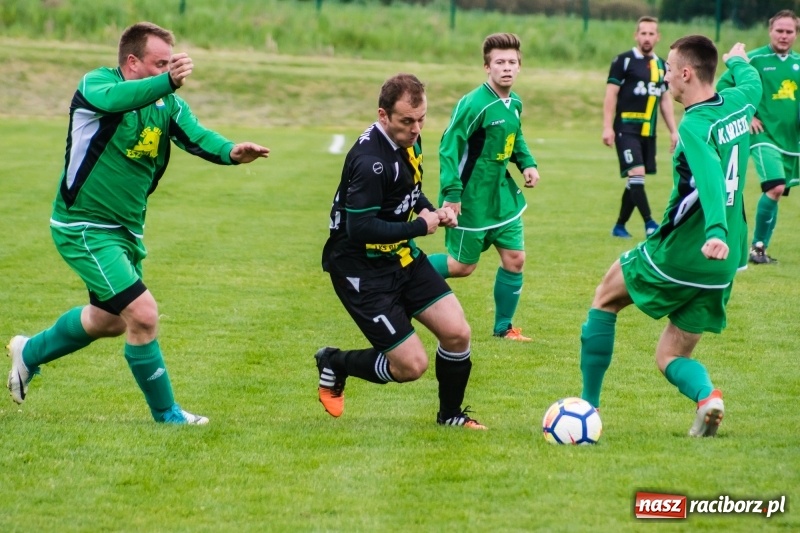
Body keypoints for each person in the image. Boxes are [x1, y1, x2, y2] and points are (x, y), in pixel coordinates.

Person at [6, 21, 270, 424]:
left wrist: (233, 151)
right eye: (159, 63)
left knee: (108, 321)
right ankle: (167, 416)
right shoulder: (98, 86)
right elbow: (116, 101)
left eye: (171, 62)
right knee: (143, 314)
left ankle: (30, 352)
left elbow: (197, 136)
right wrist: (168, 83)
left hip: (127, 230)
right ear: (132, 61)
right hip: (84, 227)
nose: (168, 69)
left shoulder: (167, 104)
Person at [578, 38, 761, 437]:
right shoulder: (741, 101)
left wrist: (715, 231)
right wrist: (738, 60)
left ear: (686, 73)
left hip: (684, 250)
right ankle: (707, 398)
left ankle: (587, 407)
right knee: (671, 354)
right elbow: (753, 81)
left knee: (604, 299)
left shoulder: (695, 125)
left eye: (669, 69)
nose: (664, 77)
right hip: (723, 265)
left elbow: (711, 178)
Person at [317, 73, 486, 429]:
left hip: (400, 256)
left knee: (457, 332)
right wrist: (418, 227)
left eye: (421, 118)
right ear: (383, 115)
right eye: (407, 121)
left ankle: (450, 416)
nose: (415, 128)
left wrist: (427, 209)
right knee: (411, 367)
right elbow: (358, 229)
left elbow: (410, 189)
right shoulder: (369, 161)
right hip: (360, 269)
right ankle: (335, 362)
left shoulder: (410, 140)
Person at [428, 33, 540, 342]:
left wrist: (527, 163)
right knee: (463, 266)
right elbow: (448, 146)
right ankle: (406, 272)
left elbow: (515, 136)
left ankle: (504, 328)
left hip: (501, 197)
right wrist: (452, 194)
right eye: (500, 62)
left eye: (512, 62)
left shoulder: (514, 103)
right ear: (486, 67)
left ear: (519, 67)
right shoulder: (473, 103)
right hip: (470, 199)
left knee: (515, 258)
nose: (507, 67)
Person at [717, 10, 800, 264]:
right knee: (775, 186)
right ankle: (757, 248)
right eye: (780, 30)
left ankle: (760, 247)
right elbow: (722, 87)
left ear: (796, 34)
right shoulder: (754, 59)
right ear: (770, 30)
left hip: (791, 140)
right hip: (763, 137)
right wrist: (748, 114)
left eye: (789, 31)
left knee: (778, 190)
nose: (784, 36)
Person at [603, 16, 678, 239]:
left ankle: (619, 226)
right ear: (636, 35)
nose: (647, 38)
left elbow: (664, 100)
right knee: (637, 173)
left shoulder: (662, 65)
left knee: (634, 179)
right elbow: (611, 95)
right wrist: (607, 127)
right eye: (643, 33)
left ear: (658, 37)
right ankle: (650, 223)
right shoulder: (623, 61)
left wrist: (674, 131)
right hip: (625, 129)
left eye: (651, 33)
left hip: (648, 131)